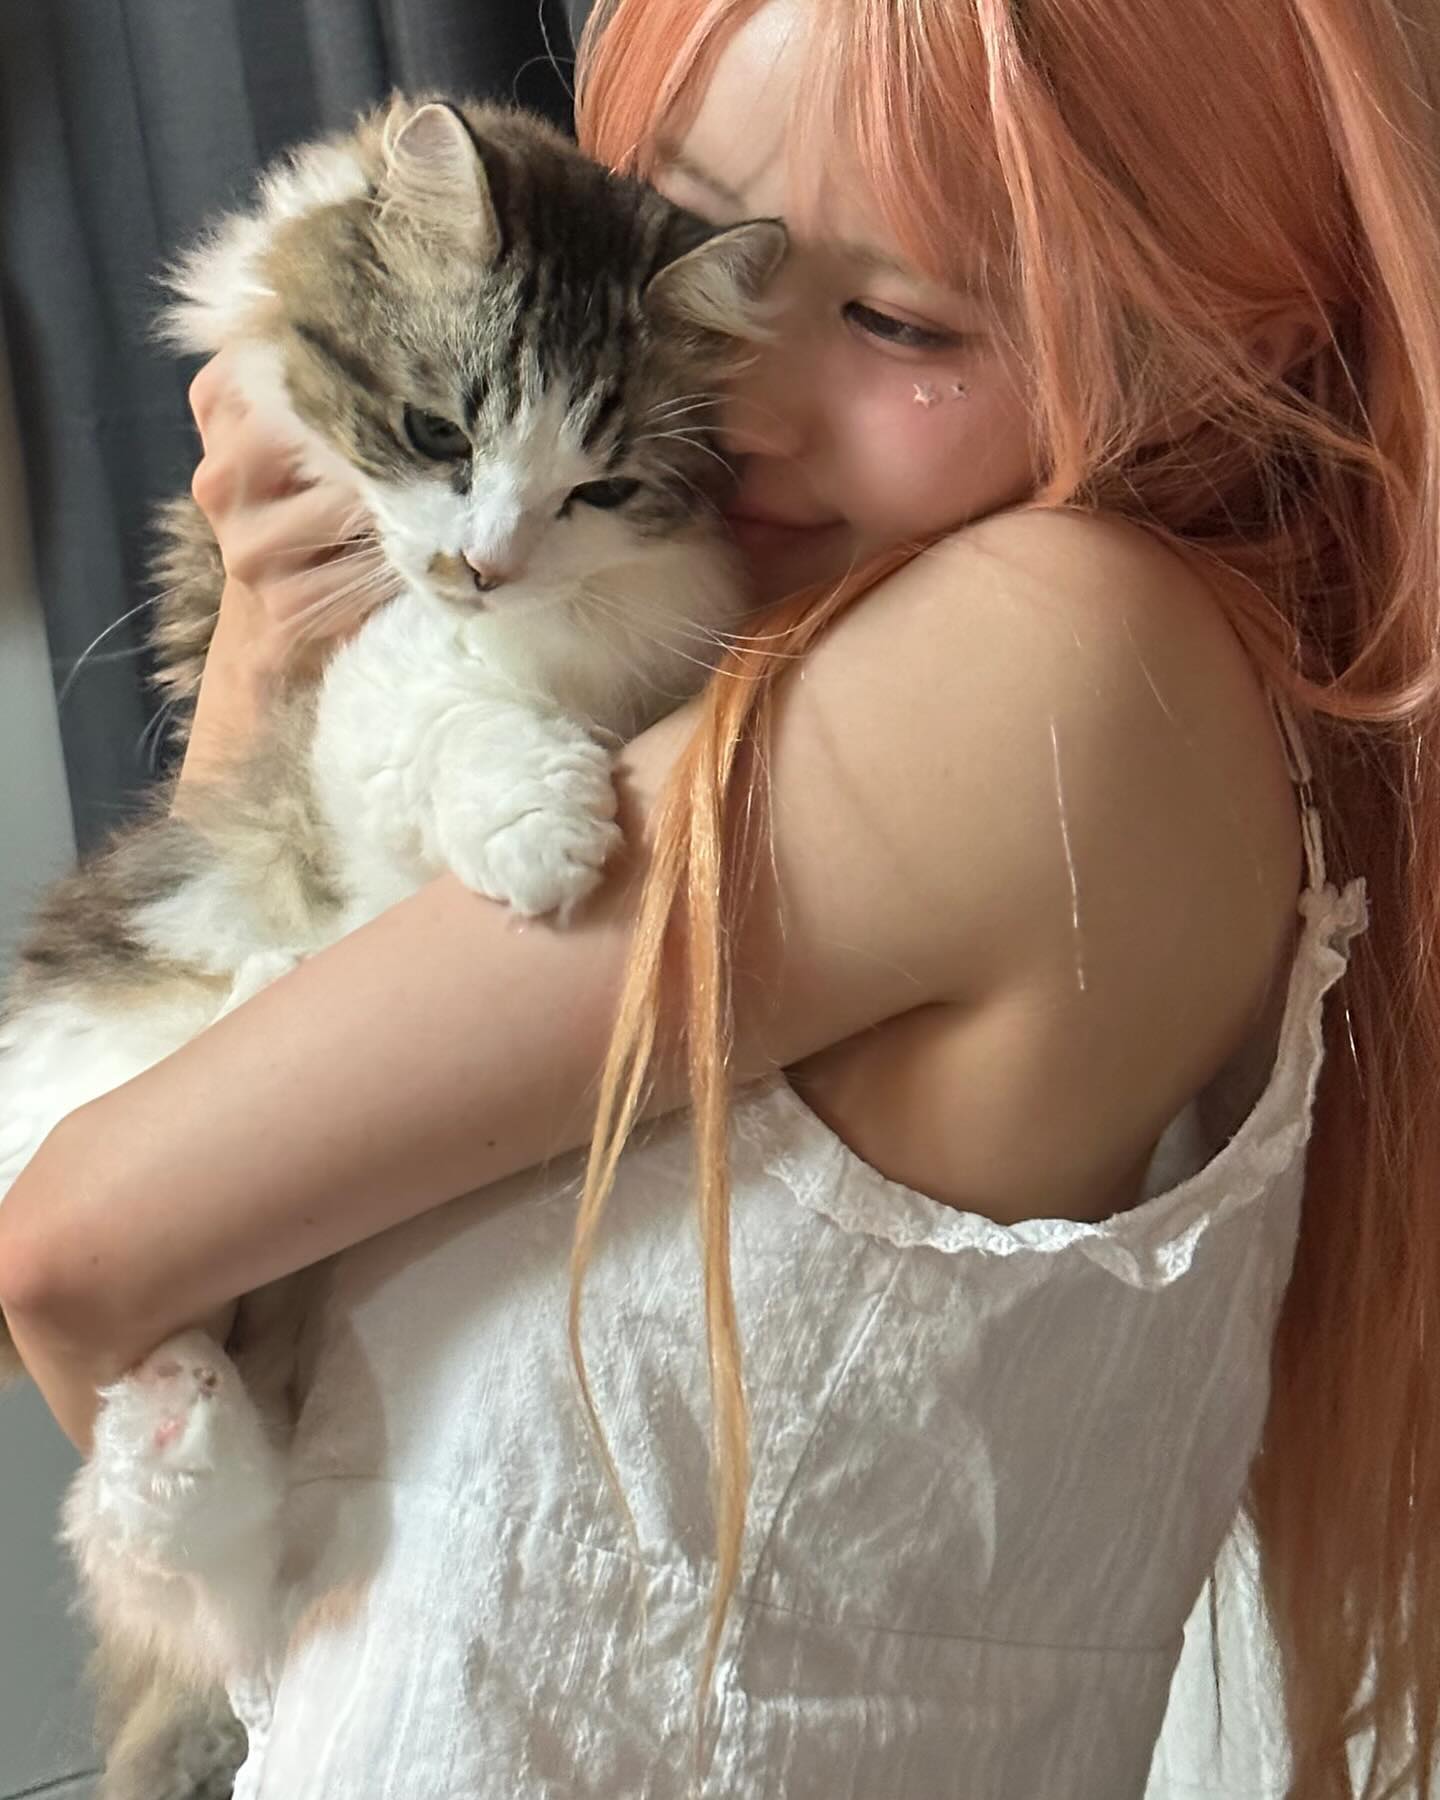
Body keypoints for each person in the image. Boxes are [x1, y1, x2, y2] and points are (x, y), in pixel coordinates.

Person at [2, 0, 1437, 1792]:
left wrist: (275, 684)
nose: (726, 392)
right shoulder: (802, 653)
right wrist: (266, 664)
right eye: (700, 242)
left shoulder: (1056, 660)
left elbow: (78, 1245)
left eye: (899, 320)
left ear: (1230, 341)